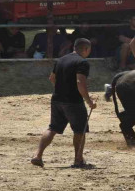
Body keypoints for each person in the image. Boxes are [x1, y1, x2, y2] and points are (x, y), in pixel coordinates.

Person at [31, 38, 97, 169]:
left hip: (57, 99)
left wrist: (61, 89)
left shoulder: (61, 59)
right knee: (79, 131)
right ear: (86, 49)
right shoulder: (82, 62)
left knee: (52, 128)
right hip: (73, 102)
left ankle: (37, 155)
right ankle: (78, 160)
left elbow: (52, 78)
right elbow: (80, 83)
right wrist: (89, 101)